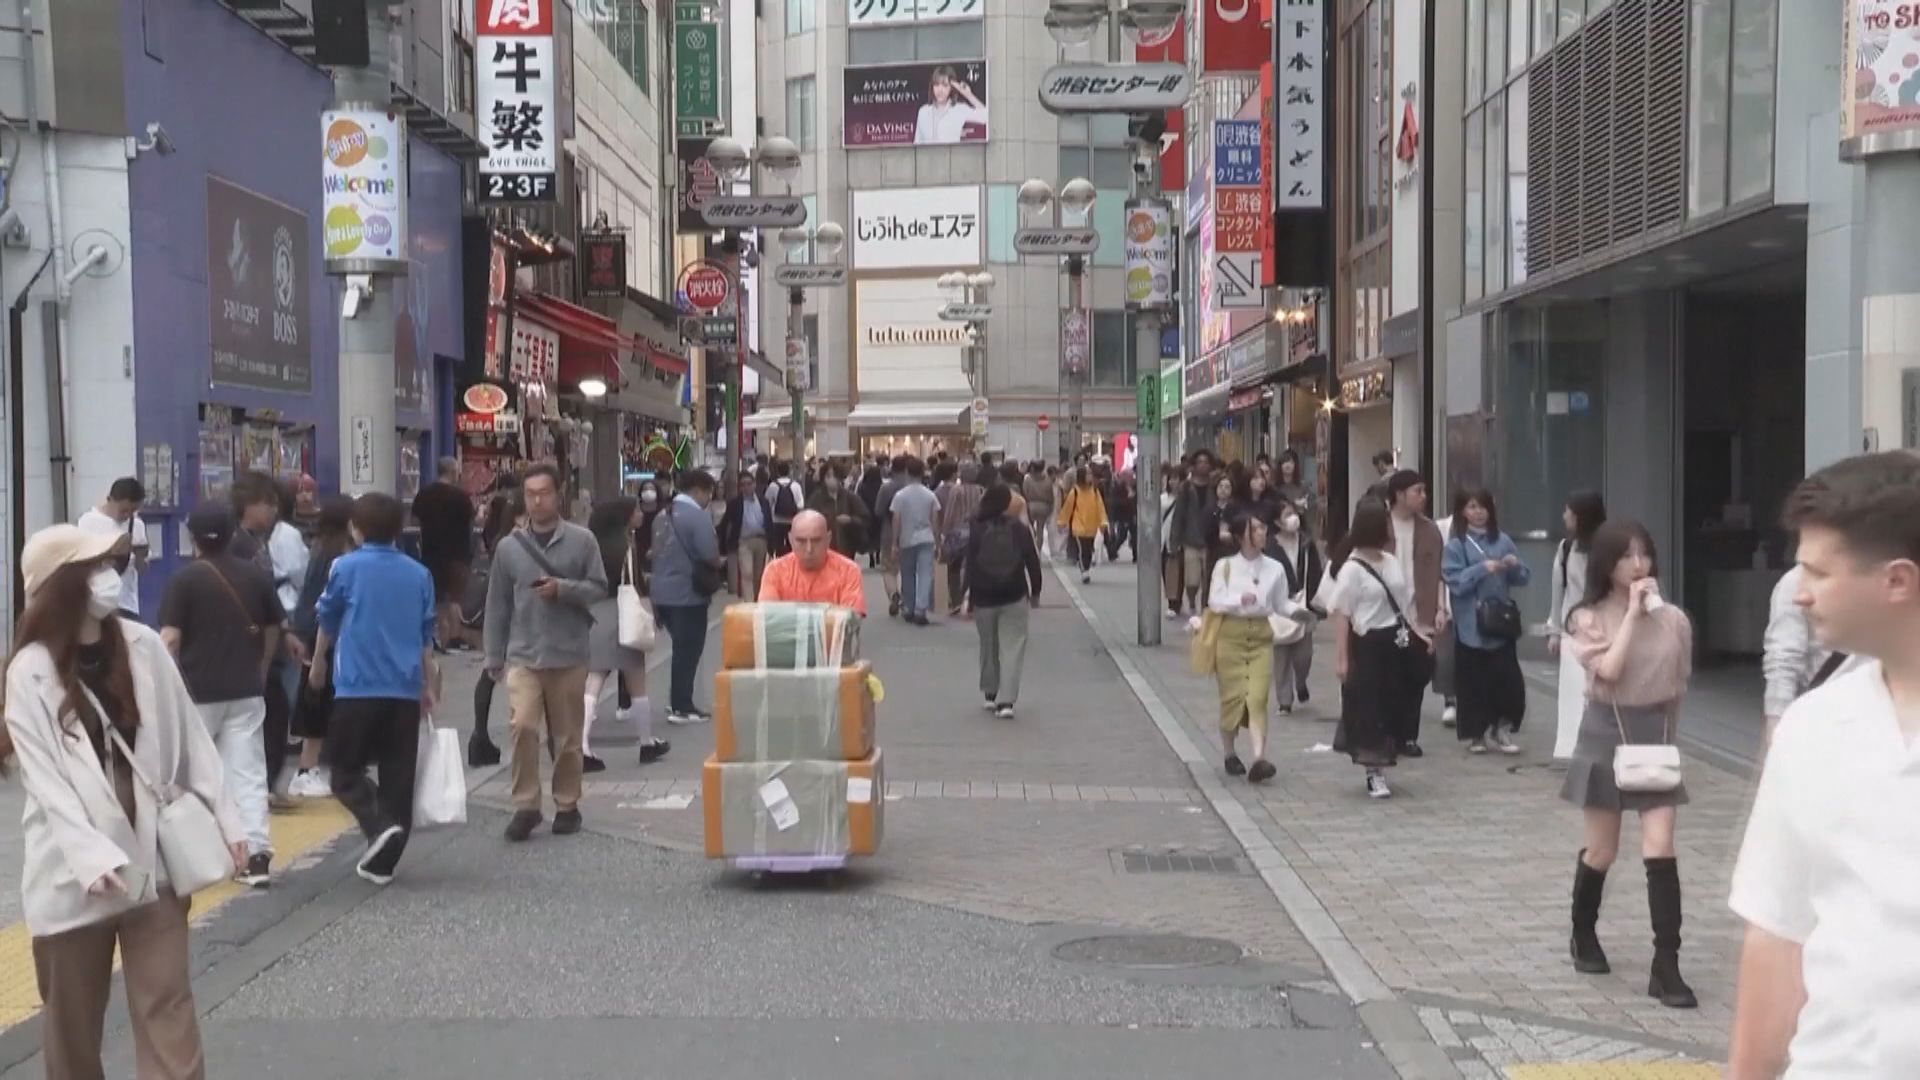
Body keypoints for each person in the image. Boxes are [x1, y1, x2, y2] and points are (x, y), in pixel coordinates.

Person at [4, 523, 246, 1079]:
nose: (108, 576)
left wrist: (229, 818)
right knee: (72, 1026)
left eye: (108, 563)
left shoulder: (142, 646)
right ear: (60, 585)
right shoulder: (29, 671)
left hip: (152, 859)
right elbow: (46, 783)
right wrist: (91, 858)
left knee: (168, 1005)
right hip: (73, 872)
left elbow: (193, 739)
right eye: (92, 566)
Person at [1726, 452, 1920, 1077]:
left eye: (1817, 572)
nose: (1799, 593)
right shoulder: (1813, 728)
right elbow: (1775, 935)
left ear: (1897, 581)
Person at [1558, 519, 1696, 1009]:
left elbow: (1678, 684)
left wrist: (1669, 740)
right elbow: (1611, 671)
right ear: (1606, 564)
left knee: (1661, 847)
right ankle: (1583, 933)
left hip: (1654, 737)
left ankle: (1667, 963)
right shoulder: (1587, 618)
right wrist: (1634, 616)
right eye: (1626, 556)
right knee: (1603, 849)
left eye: (1644, 554)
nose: (1638, 565)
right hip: (1605, 734)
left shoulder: (1674, 620)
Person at [307, 493, 435, 885]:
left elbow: (328, 618)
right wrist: (429, 684)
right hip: (404, 687)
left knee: (344, 772)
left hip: (357, 686)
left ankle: (379, 825)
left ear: (355, 528)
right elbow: (425, 635)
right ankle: (384, 858)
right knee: (398, 774)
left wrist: (318, 662)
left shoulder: (345, 567)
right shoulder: (418, 574)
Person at [158, 505, 284, 887]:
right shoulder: (255, 574)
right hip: (246, 690)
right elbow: (273, 626)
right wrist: (262, 667)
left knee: (187, 777)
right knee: (247, 772)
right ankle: (256, 856)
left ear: (192, 537)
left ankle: (195, 857)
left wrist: (163, 687)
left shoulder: (184, 580)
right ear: (231, 534)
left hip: (196, 693)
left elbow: (169, 639)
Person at [483, 463, 608, 843]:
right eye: (531, 494)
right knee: (522, 726)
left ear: (559, 494)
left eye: (544, 493)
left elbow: (598, 587)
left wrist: (563, 589)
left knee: (567, 736)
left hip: (568, 652)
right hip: (524, 653)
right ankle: (526, 805)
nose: (537, 501)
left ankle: (567, 804)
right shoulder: (509, 548)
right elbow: (497, 603)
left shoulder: (582, 541)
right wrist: (493, 655)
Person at [1327, 499, 1423, 799]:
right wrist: (1342, 658)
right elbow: (1342, 613)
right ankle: (1374, 770)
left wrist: (1418, 631)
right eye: (1386, 523)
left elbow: (1404, 602)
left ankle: (1389, 754)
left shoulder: (1391, 561)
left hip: (1395, 640)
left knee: (1394, 702)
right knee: (1370, 706)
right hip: (1367, 643)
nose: (1391, 529)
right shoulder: (1352, 569)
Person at [1206, 511, 1303, 784]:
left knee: (1258, 697)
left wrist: (1299, 612)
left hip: (1260, 636)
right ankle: (1229, 752)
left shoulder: (1275, 568)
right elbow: (1214, 601)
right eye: (1256, 528)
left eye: (1262, 528)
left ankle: (1259, 757)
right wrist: (1240, 599)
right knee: (1232, 697)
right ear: (1241, 536)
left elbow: (1281, 603)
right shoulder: (1225, 566)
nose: (1262, 533)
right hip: (1231, 636)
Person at [1442, 490, 1532, 755]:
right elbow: (1454, 581)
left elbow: (1523, 577)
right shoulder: (1456, 545)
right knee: (1473, 684)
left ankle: (1502, 728)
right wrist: (1483, 569)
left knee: (1509, 683)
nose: (1478, 512)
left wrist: (1514, 566)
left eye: (1483, 507)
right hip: (1470, 626)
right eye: (1472, 507)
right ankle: (1476, 734)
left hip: (1500, 624)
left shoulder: (1502, 540)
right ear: (1462, 511)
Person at [584, 497, 668, 772]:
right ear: (624, 517)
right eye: (636, 510)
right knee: (637, 683)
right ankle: (646, 741)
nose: (640, 514)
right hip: (624, 614)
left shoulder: (591, 545)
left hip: (597, 613)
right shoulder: (626, 546)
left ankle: (581, 744)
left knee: (594, 679)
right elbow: (635, 584)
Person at [286, 495, 356, 798]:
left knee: (321, 701)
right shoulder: (335, 555)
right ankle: (306, 770)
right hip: (324, 636)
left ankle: (314, 768)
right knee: (318, 700)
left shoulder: (322, 549)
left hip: (318, 633)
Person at [650, 469, 724, 724]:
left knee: (679, 647)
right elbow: (709, 554)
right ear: (698, 490)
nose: (709, 499)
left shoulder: (662, 515)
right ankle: (682, 704)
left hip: (661, 590)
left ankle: (677, 700)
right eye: (708, 493)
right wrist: (720, 562)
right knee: (689, 649)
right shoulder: (696, 517)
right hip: (687, 592)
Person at [965, 486, 1042, 719]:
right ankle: (1006, 701)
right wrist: (1036, 590)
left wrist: (967, 596)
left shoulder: (977, 527)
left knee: (988, 646)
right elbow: (1032, 560)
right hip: (1014, 593)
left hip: (984, 596)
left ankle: (990, 692)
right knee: (1012, 647)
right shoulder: (1019, 528)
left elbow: (970, 563)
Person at [1384, 470, 1445, 756]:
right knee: (1389, 677)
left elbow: (1440, 574)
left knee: (1416, 675)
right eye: (1417, 491)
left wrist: (1441, 608)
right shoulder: (1379, 526)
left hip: (1420, 613)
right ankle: (1388, 734)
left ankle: (1408, 736)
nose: (1423, 496)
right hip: (1384, 614)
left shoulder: (1430, 530)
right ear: (1399, 494)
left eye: (1424, 490)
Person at [1548, 492, 1607, 760]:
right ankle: (1570, 746)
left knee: (1600, 693)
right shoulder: (1566, 549)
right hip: (1572, 631)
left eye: (1568, 512)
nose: (1564, 516)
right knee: (1573, 691)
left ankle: (1599, 745)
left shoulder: (1607, 549)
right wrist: (1554, 631)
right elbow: (1558, 592)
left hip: (1604, 629)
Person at [466, 493, 521, 767]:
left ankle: (480, 736)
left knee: (490, 673)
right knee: (500, 672)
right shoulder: (511, 544)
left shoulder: (500, 540)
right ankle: (481, 736)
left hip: (501, 613)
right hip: (511, 615)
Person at [412, 457, 477, 650]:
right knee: (456, 598)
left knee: (438, 599)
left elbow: (415, 521)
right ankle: (455, 638)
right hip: (458, 553)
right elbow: (471, 523)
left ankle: (442, 637)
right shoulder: (461, 497)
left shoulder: (424, 494)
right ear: (453, 472)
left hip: (431, 553)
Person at [1270, 498, 1324, 715]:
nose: (1293, 518)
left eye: (1293, 513)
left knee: (1304, 655)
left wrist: (1317, 603)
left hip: (1303, 604)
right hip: (1279, 605)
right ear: (1277, 522)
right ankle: (1284, 700)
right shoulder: (1270, 546)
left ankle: (1301, 681)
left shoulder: (1306, 543)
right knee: (1281, 655)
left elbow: (1316, 573)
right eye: (1286, 515)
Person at [760, 509, 868, 613]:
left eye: (816, 541)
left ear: (828, 539)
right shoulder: (775, 570)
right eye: (801, 541)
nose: (809, 549)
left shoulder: (848, 571)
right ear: (790, 540)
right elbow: (768, 615)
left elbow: (850, 618)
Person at [76, 477, 150, 620]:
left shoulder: (137, 525)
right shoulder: (88, 522)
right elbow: (80, 562)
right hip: (97, 601)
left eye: (133, 511)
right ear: (110, 500)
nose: (128, 515)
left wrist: (140, 557)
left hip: (127, 604)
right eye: (124, 510)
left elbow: (142, 569)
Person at [890, 458, 941, 626]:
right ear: (923, 473)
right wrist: (938, 542)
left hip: (906, 538)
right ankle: (921, 609)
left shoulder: (900, 496)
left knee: (907, 574)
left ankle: (909, 608)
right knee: (925, 574)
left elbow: (896, 519)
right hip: (926, 538)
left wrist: (894, 543)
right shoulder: (930, 495)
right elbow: (935, 521)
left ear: (907, 473)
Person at [936, 462, 983, 616]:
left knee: (954, 567)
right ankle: (971, 599)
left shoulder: (956, 490)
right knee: (972, 567)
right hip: (975, 532)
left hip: (957, 532)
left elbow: (949, 513)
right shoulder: (980, 490)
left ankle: (956, 599)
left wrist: (944, 532)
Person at [719, 471, 772, 603]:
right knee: (747, 573)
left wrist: (772, 545)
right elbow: (725, 523)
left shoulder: (763, 501)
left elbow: (769, 522)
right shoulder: (735, 504)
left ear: (754, 484)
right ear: (740, 487)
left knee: (758, 575)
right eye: (743, 485)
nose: (746, 487)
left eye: (749, 484)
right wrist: (724, 546)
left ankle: (757, 600)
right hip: (744, 542)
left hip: (761, 540)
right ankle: (749, 602)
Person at [808, 464, 872, 559]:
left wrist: (850, 520)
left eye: (835, 476)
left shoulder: (849, 497)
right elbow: (807, 519)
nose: (832, 479)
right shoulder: (816, 499)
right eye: (828, 476)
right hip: (824, 549)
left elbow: (865, 519)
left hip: (846, 548)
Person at [1057, 465, 1108, 584]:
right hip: (1078, 526)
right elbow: (1067, 508)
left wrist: (1103, 522)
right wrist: (1062, 522)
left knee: (1088, 550)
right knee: (1082, 549)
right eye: (1088, 474)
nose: (1090, 476)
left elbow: (1100, 508)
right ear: (1081, 476)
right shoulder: (1075, 492)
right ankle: (1084, 571)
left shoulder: (1095, 491)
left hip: (1092, 526)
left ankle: (1086, 567)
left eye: (1090, 474)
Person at [912, 64, 986, 144]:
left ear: (951, 88)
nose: (940, 90)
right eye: (936, 85)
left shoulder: (959, 109)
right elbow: (917, 143)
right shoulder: (923, 111)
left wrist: (968, 95)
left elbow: (986, 117)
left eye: (945, 85)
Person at [874, 456, 908, 617]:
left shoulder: (886, 488)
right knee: (909, 569)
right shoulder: (912, 487)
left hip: (889, 532)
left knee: (889, 569)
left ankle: (894, 594)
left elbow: (878, 510)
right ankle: (908, 599)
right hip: (909, 532)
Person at [765, 460, 805, 556]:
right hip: (792, 521)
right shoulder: (795, 485)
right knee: (792, 547)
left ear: (778, 472)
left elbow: (767, 502)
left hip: (777, 521)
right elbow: (800, 504)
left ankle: (780, 560)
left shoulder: (773, 485)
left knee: (778, 546)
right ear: (789, 471)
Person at [1022, 461, 1055, 559]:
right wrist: (1050, 507)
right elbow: (1051, 496)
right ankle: (1038, 552)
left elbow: (1024, 493)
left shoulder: (1028, 480)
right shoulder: (1047, 480)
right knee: (1040, 530)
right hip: (1044, 507)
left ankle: (1029, 550)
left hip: (1030, 506)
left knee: (1029, 529)